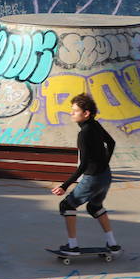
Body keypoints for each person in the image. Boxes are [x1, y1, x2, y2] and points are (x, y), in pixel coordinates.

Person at [50, 93, 119, 252]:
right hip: (105, 176)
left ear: (86, 113)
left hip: (93, 178)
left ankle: (72, 246)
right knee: (94, 207)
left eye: (75, 111)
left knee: (67, 205)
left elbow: (84, 164)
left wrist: (64, 185)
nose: (71, 113)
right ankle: (112, 243)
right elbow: (111, 142)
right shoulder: (95, 125)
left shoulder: (84, 133)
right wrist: (104, 163)